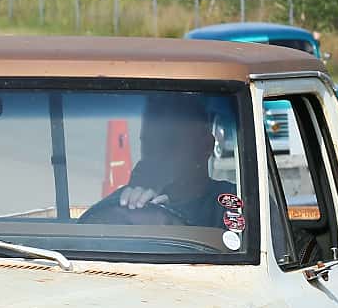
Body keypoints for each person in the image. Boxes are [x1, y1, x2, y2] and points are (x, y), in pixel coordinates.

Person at [94, 95, 239, 228]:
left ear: (206, 146)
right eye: (148, 144)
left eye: (170, 143)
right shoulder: (122, 204)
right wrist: (128, 213)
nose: (157, 155)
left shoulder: (233, 202)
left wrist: (169, 224)